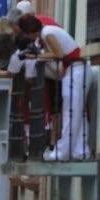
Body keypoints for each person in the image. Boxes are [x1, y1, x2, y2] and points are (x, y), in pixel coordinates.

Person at [17, 14, 90, 161]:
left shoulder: (47, 33)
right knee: (77, 112)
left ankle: (64, 151)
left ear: (29, 31)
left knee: (71, 111)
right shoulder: (47, 32)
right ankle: (79, 149)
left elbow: (58, 54)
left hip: (76, 70)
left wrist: (38, 56)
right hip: (76, 69)